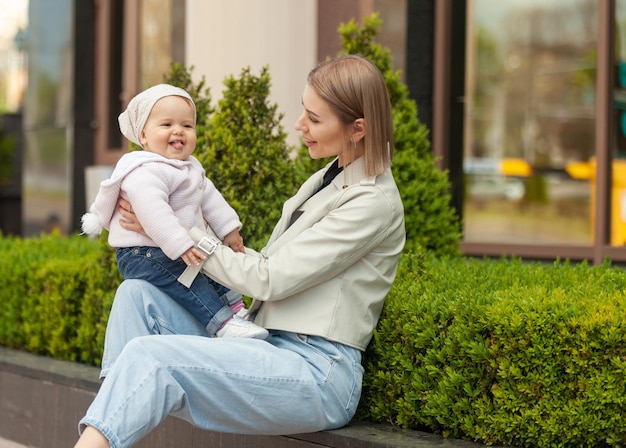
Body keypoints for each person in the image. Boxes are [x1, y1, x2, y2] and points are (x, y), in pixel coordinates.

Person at [74, 54, 406, 448]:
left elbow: (269, 280)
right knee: (135, 295)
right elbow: (269, 264)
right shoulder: (328, 178)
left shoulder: (371, 201)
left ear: (358, 129)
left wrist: (179, 232)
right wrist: (189, 235)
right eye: (305, 111)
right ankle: (113, 430)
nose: (300, 125)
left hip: (316, 370)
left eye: (314, 119)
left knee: (150, 357)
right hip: (268, 343)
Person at [81, 83, 268, 339]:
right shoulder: (144, 170)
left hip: (173, 245)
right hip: (143, 253)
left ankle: (236, 310)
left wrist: (230, 231)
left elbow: (211, 199)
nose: (178, 131)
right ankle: (223, 325)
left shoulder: (189, 168)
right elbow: (153, 211)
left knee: (211, 267)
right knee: (188, 281)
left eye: (187, 125)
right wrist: (180, 244)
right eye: (166, 125)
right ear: (143, 136)